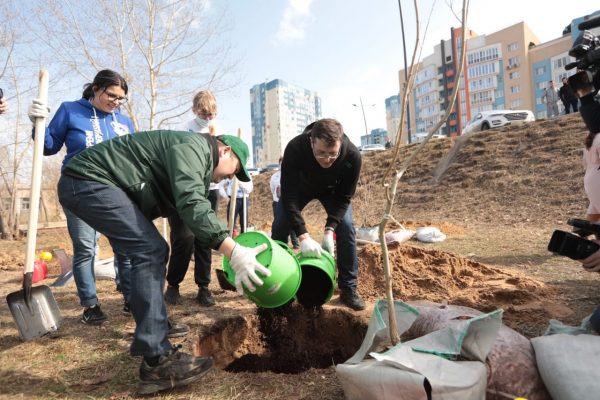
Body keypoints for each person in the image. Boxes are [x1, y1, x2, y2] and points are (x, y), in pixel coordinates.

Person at [55, 130, 270, 395]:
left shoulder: (198, 164)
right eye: (233, 170)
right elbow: (192, 204)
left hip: (96, 184)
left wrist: (222, 246)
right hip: (89, 180)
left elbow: (191, 215)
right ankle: (157, 360)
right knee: (151, 250)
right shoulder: (195, 147)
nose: (229, 177)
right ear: (225, 151)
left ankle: (154, 326)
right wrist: (234, 251)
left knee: (149, 250)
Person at [27, 69, 134, 325]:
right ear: (96, 88)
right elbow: (48, 147)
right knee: (86, 249)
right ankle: (90, 306)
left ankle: (132, 298)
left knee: (125, 248)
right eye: (111, 95)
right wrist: (37, 123)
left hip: (115, 191)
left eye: (121, 98)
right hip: (79, 188)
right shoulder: (70, 110)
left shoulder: (124, 122)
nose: (116, 102)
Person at [271, 118, 366, 311]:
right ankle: (279, 284)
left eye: (333, 154)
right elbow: (288, 196)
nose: (327, 159)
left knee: (347, 228)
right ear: (311, 141)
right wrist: (303, 235)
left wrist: (329, 230)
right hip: (300, 189)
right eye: (321, 153)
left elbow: (345, 197)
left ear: (340, 145)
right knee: (280, 225)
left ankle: (348, 288)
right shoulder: (295, 148)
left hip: (333, 191)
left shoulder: (352, 155)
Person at [164, 90, 219, 307]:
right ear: (194, 109)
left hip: (210, 189)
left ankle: (203, 287)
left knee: (205, 238)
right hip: (184, 190)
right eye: (204, 114)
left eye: (211, 114)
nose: (207, 118)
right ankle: (174, 285)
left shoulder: (217, 129)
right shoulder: (184, 130)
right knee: (183, 238)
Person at [269, 157, 300, 249]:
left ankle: (295, 243)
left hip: (290, 203)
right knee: (278, 223)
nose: (283, 165)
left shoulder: (293, 175)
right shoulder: (275, 176)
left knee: (292, 221)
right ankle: (281, 244)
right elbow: (272, 188)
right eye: (281, 163)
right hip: (277, 202)